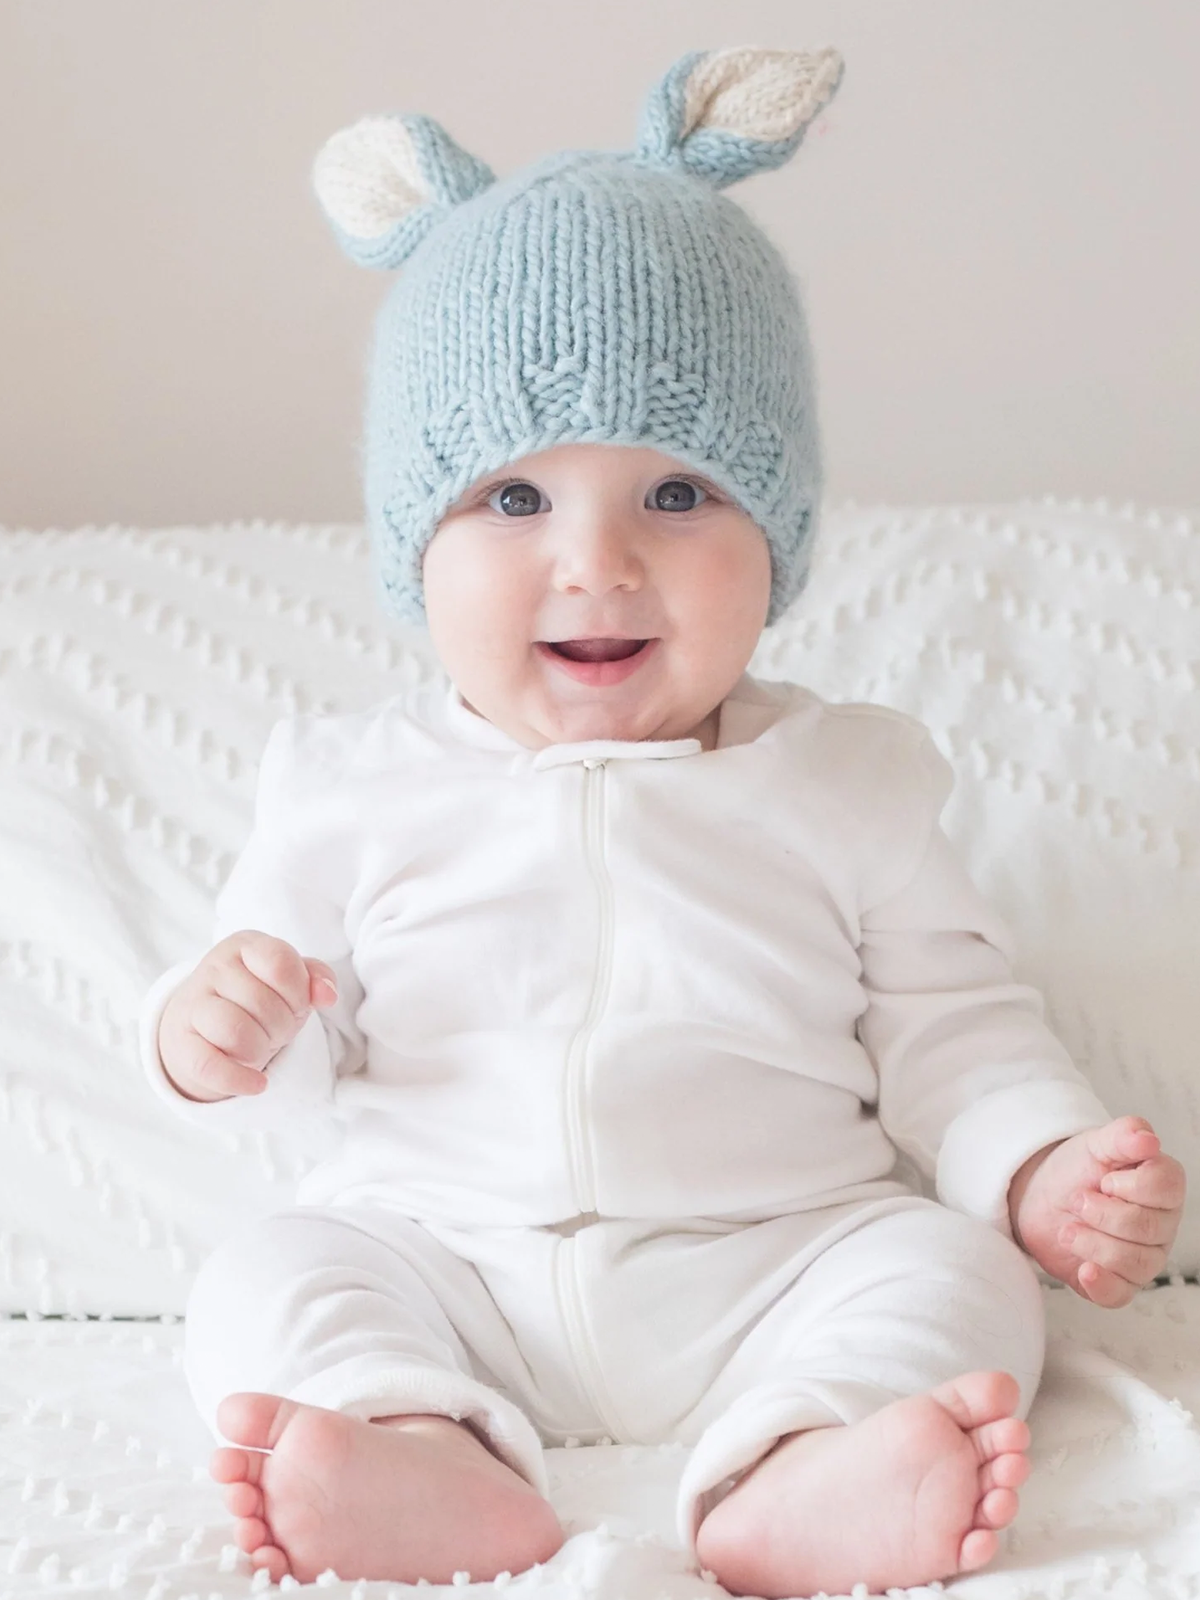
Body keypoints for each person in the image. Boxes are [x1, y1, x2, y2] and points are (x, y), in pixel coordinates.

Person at [138, 46, 1186, 1598]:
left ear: (781, 533)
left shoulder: (848, 780)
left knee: (952, 1276)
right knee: (265, 1277)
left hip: (771, 1257)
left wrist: (1035, 1169)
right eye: (513, 502)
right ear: (408, 543)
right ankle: (420, 1449)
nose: (598, 563)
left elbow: (952, 1034)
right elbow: (291, 1044)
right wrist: (210, 1030)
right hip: (440, 1257)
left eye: (680, 495)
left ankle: (799, 1461)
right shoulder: (347, 785)